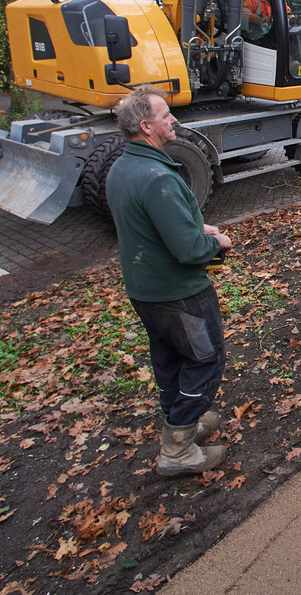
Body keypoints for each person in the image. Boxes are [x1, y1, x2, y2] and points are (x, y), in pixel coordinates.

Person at [106, 84, 233, 475]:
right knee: (205, 359)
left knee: (169, 359)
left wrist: (198, 226)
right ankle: (177, 449)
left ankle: (182, 423)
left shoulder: (124, 168)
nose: (174, 119)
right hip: (180, 294)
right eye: (166, 115)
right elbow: (189, 250)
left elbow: (152, 226)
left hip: (145, 291)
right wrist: (218, 242)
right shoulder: (157, 178)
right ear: (146, 126)